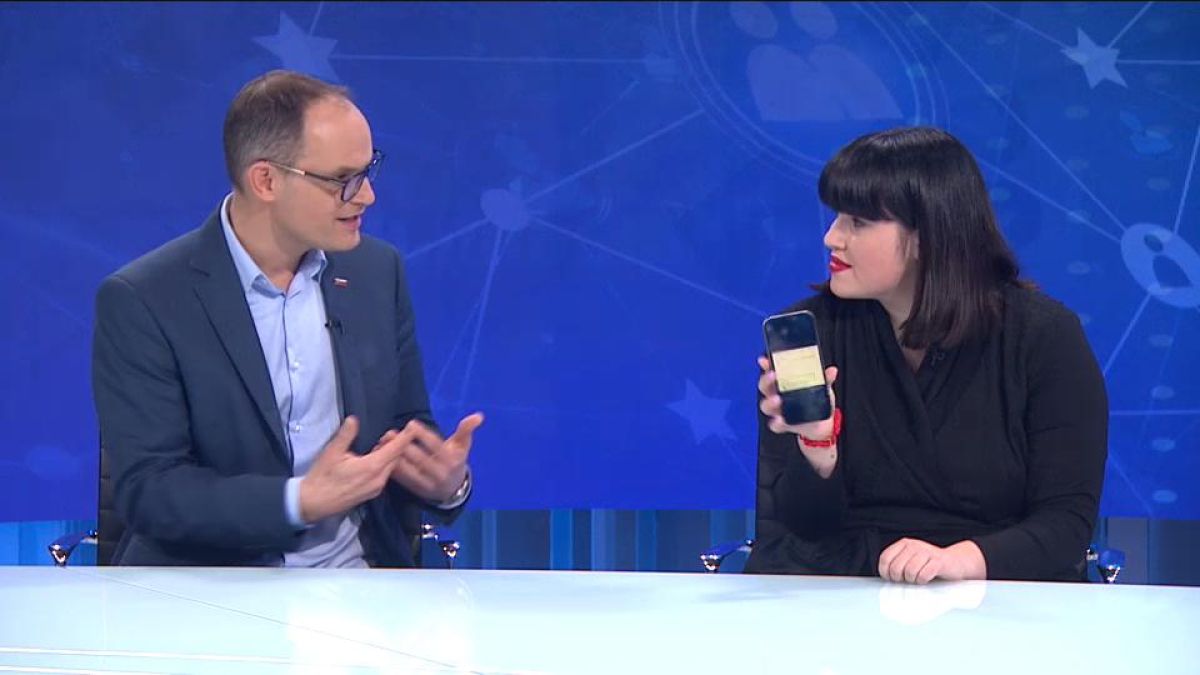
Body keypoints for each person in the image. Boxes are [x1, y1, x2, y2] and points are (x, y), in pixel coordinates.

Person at [92, 70, 483, 567]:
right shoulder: (145, 299)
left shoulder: (377, 272)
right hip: (212, 589)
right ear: (267, 180)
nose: (366, 196)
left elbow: (404, 433)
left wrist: (445, 484)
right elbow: (151, 491)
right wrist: (299, 501)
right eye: (342, 180)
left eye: (368, 171)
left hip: (362, 586)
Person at [746, 127, 1108, 583]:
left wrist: (957, 561)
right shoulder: (809, 332)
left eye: (858, 222)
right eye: (837, 217)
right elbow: (801, 531)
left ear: (926, 236)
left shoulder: (1044, 336)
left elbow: (1065, 523)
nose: (831, 238)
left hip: (993, 591)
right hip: (840, 587)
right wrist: (817, 447)